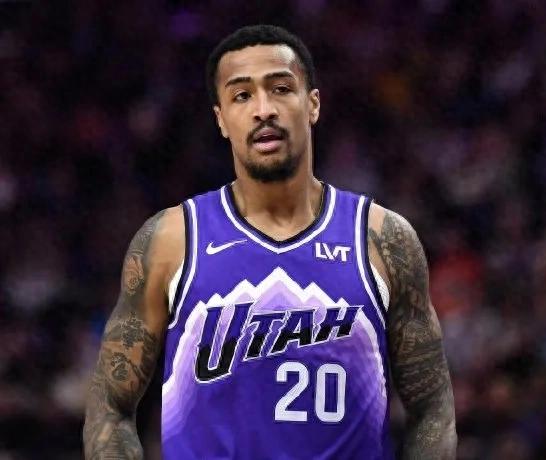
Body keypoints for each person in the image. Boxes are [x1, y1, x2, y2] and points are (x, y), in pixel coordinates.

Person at [83, 24, 456, 459]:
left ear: (312, 104)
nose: (263, 109)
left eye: (280, 89)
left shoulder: (383, 238)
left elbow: (432, 407)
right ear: (221, 119)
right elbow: (110, 406)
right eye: (242, 95)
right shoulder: (170, 240)